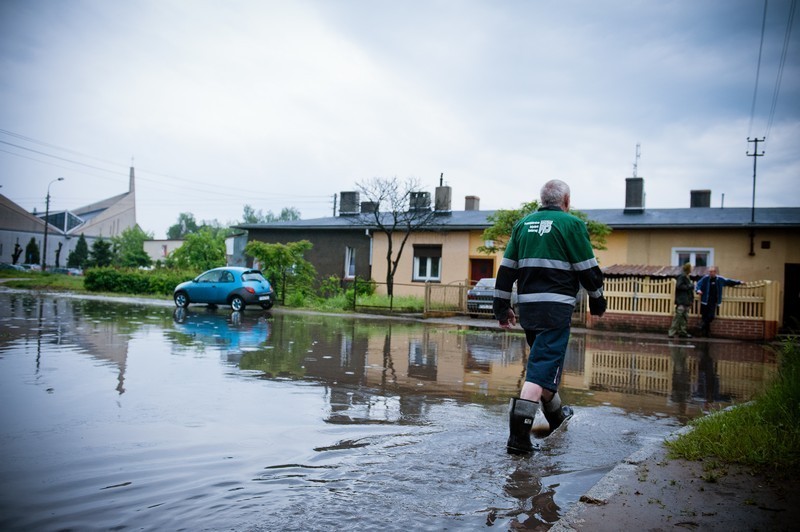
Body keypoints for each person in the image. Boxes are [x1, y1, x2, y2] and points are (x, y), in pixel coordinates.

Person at [493, 179, 606, 455]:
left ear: (541, 200)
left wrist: (501, 305)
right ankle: (518, 440)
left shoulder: (523, 225)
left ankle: (557, 418)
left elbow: (507, 269)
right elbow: (587, 268)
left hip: (529, 309)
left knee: (543, 365)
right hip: (555, 310)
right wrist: (598, 299)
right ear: (566, 201)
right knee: (539, 370)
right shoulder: (572, 225)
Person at [695, 266, 743, 337]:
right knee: (704, 316)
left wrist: (739, 282)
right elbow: (698, 284)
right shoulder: (705, 278)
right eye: (709, 272)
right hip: (705, 300)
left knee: (711, 316)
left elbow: (728, 281)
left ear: (715, 272)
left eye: (712, 272)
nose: (710, 273)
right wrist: (698, 290)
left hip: (713, 301)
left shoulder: (719, 279)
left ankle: (701, 325)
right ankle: (706, 333)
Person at [668, 262, 694, 338]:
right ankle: (671, 333)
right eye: (691, 267)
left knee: (684, 318)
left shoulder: (687, 277)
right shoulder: (682, 276)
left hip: (686, 301)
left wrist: (691, 300)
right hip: (681, 301)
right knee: (678, 317)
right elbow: (679, 286)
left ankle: (683, 332)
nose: (692, 269)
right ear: (688, 268)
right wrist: (690, 286)